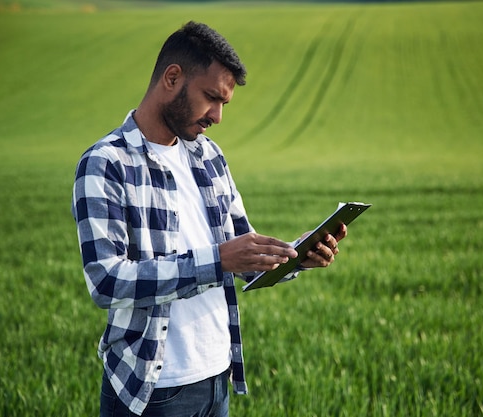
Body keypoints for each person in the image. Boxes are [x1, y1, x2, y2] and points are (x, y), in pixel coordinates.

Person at [72, 21, 347, 417]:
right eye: (211, 98)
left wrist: (297, 255)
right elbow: (107, 281)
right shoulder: (105, 164)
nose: (217, 116)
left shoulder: (209, 156)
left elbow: (243, 255)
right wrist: (217, 259)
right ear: (172, 78)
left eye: (224, 104)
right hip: (150, 391)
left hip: (219, 377)